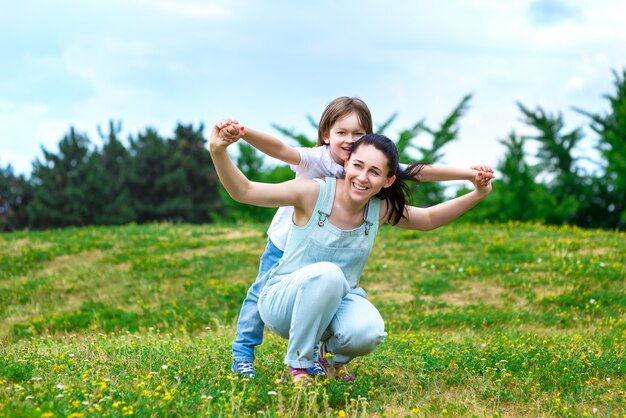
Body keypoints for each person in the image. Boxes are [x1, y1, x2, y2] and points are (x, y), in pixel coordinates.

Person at [218, 97, 495, 378]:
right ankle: (255, 356)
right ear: (328, 136)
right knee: (275, 289)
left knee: (341, 294)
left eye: (358, 134)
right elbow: (266, 167)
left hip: (328, 269)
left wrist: (472, 179)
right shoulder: (316, 168)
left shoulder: (375, 180)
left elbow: (424, 196)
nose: (349, 141)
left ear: (387, 178)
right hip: (288, 241)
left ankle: (324, 356)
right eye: (342, 133)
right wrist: (239, 136)